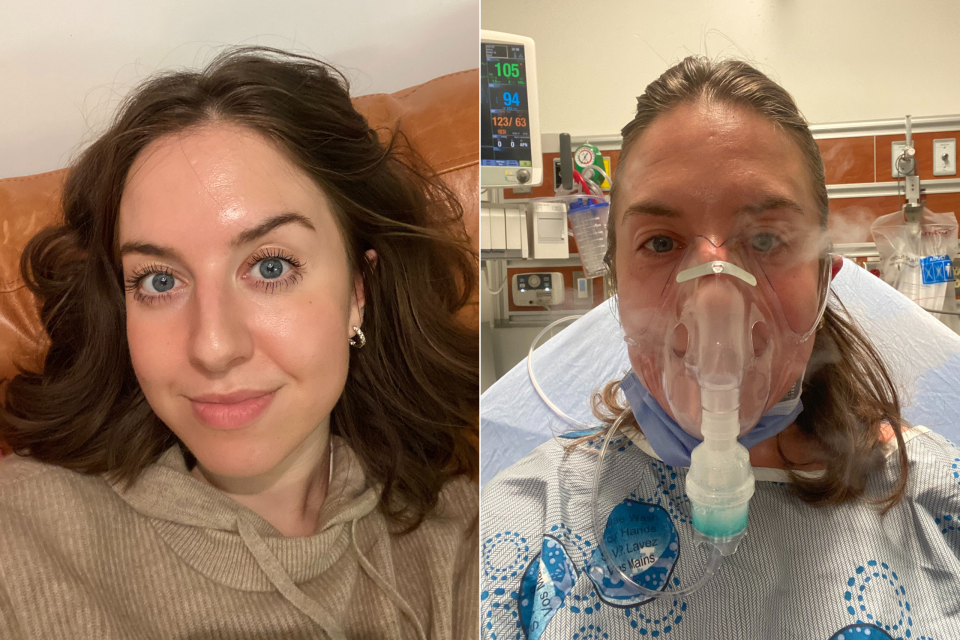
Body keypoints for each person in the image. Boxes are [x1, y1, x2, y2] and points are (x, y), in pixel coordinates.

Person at [0, 47, 478, 640]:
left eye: (270, 268)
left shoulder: (464, 537)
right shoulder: (19, 542)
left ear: (359, 289)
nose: (213, 347)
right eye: (159, 281)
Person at [480, 57, 960, 640]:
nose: (713, 302)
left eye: (764, 239)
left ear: (823, 276)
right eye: (660, 242)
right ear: (616, 286)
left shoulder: (933, 501)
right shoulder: (525, 526)